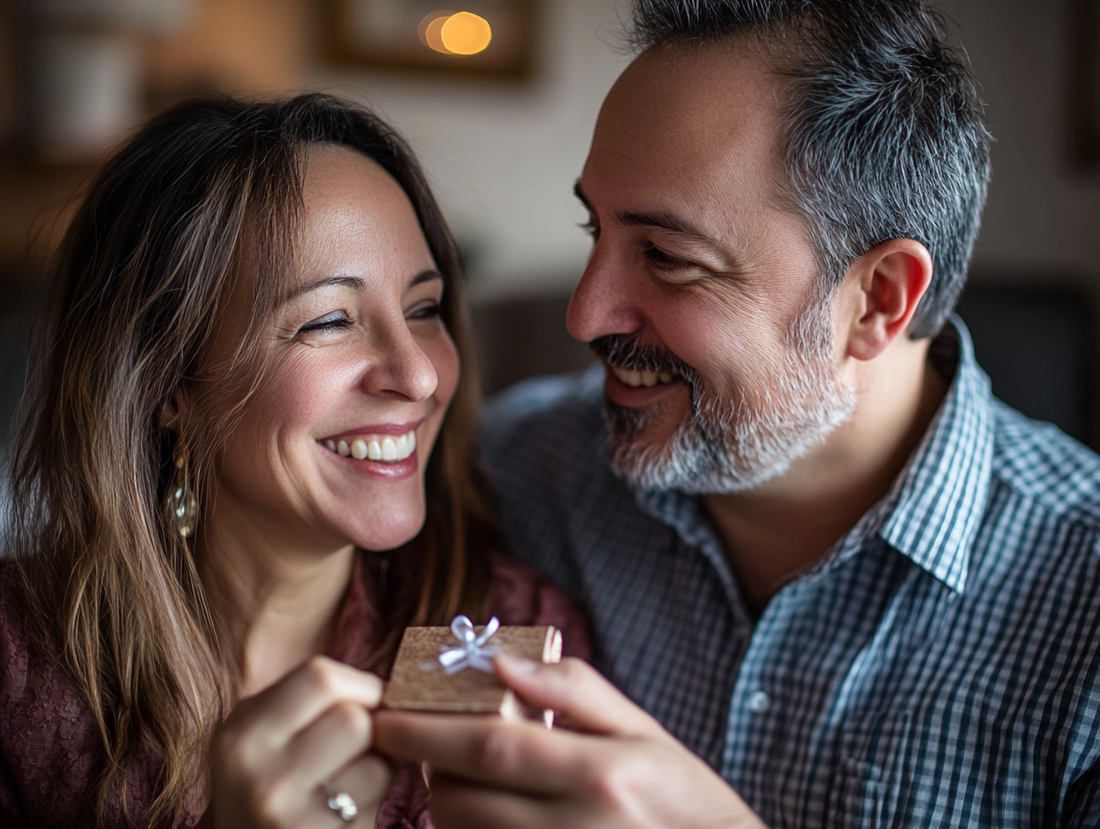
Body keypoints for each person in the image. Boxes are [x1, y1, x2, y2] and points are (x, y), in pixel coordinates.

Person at [373, 1, 1100, 826]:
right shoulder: (512, 471)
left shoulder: (1084, 609)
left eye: (668, 258)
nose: (584, 314)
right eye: (595, 230)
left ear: (878, 300)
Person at [0, 93, 588, 828]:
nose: (419, 375)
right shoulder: (17, 677)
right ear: (168, 382)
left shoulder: (512, 635)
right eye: (330, 320)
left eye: (424, 309)